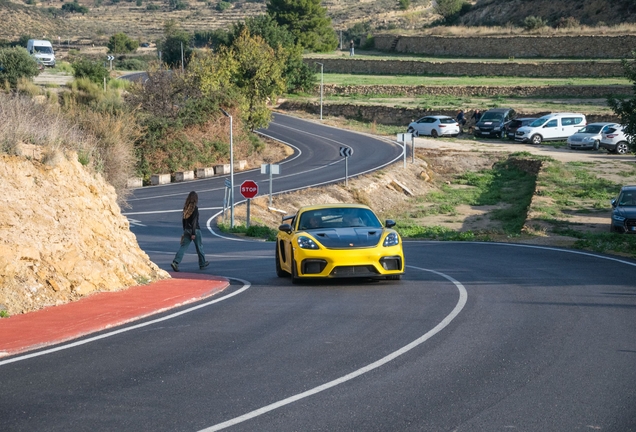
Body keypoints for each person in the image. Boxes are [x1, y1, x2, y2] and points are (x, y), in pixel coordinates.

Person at [171, 191, 209, 272]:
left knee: (183, 247)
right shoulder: (195, 208)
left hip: (187, 230)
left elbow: (184, 220)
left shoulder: (186, 208)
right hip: (195, 230)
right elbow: (194, 222)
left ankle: (175, 262)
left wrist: (185, 230)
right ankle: (202, 263)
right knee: (199, 247)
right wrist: (193, 233)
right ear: (196, 199)